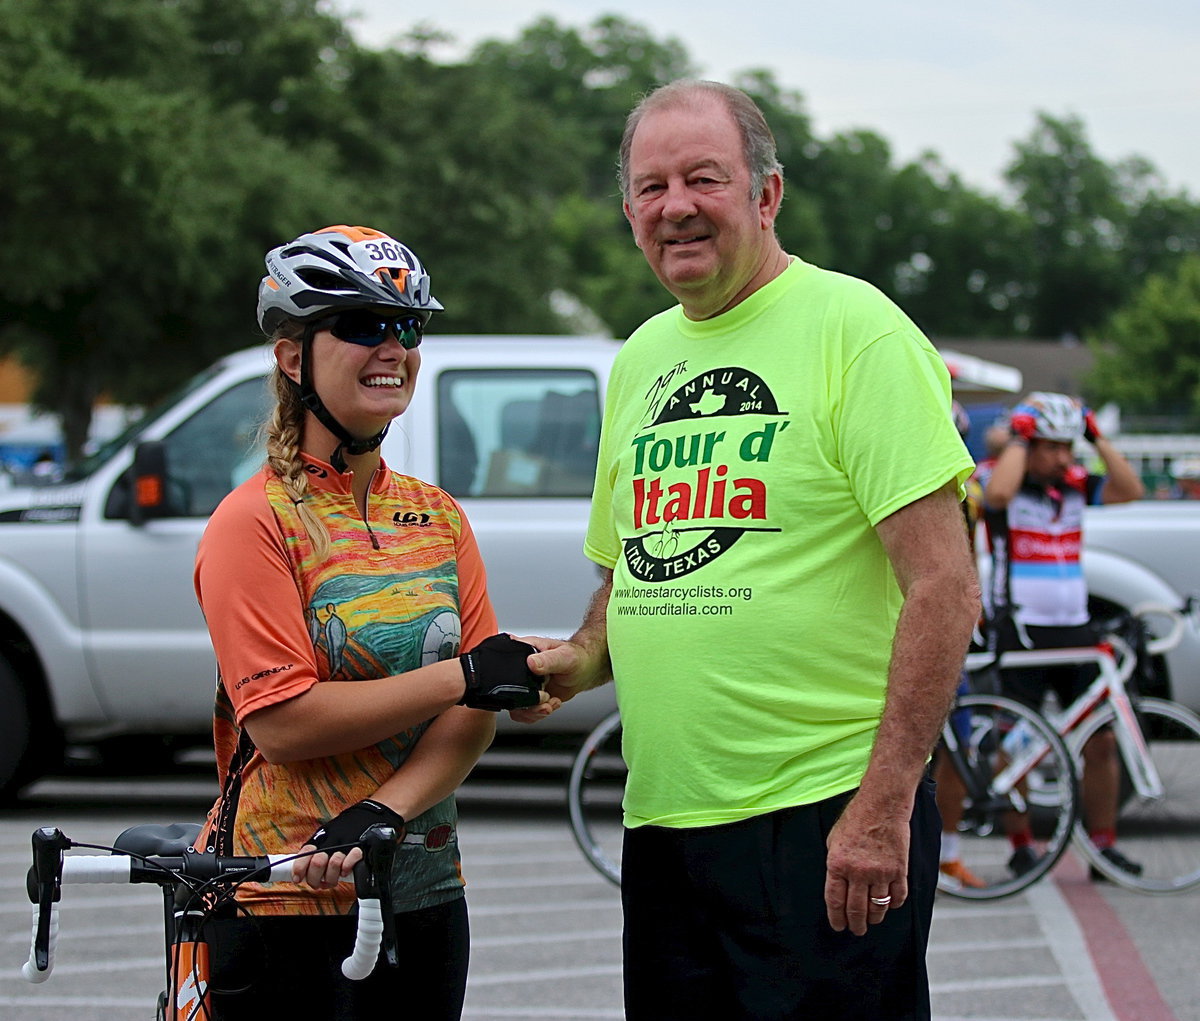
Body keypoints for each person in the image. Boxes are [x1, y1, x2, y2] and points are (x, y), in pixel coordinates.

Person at [526, 81, 980, 1020]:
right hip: (667, 823)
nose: (675, 207)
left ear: (766, 195)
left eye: (704, 179)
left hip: (825, 813)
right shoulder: (640, 358)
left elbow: (944, 584)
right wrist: (582, 655)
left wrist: (884, 803)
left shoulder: (857, 331)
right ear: (629, 212)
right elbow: (632, 564)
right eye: (651, 187)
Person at [192, 225, 555, 1020]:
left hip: (424, 891)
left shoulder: (437, 515)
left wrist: (384, 811)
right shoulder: (253, 521)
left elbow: (475, 708)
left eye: (408, 327)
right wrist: (461, 673)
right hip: (284, 894)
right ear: (292, 357)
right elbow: (282, 721)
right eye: (361, 325)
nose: (393, 347)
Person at [979, 391, 1145, 880]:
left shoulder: (1074, 486)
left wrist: (1095, 437)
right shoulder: (1001, 479)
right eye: (1050, 447)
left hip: (1074, 627)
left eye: (1067, 447)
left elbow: (1130, 489)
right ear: (1029, 446)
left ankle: (1103, 848)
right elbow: (997, 496)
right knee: (1018, 742)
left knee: (1102, 742)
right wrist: (1020, 438)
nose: (1062, 457)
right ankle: (1020, 847)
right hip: (1022, 629)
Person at [933, 402, 986, 890]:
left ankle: (949, 855)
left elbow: (971, 553)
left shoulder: (971, 492)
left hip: (950, 634)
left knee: (957, 744)